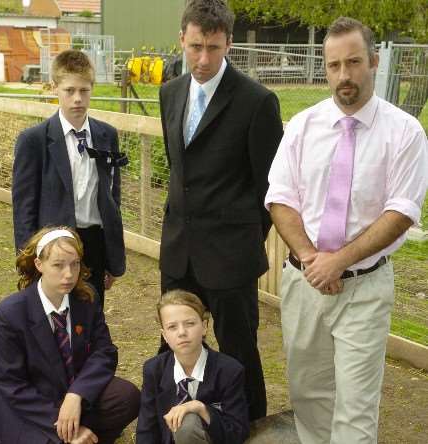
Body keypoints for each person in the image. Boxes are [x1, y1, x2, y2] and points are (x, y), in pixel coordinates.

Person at [265, 17, 428, 444]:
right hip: (305, 284)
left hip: (364, 288)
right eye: (334, 65)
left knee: (355, 409)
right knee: (309, 395)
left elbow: (402, 211)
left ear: (374, 62)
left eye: (353, 62)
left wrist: (338, 261)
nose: (344, 75)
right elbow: (280, 197)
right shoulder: (302, 126)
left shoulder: (405, 133)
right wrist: (311, 258)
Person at [159, 0, 283, 421]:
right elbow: (180, 170)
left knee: (238, 351)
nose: (204, 58)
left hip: (230, 258)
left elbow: (270, 188)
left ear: (229, 42)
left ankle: (249, 425)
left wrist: (241, 239)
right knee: (174, 346)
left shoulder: (256, 102)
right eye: (195, 47)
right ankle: (176, 422)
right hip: (178, 251)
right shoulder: (170, 92)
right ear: (182, 40)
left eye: (214, 47)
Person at [0, 227, 140, 444]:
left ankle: (86, 435)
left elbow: (104, 352)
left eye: (75, 264)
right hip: (32, 409)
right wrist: (61, 424)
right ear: (39, 265)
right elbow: (10, 385)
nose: (68, 274)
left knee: (127, 398)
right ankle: (74, 435)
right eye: (58, 265)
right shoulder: (8, 315)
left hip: (71, 394)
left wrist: (76, 394)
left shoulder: (86, 298)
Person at [12, 49, 127, 305]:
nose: (77, 99)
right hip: (54, 246)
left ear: (92, 88)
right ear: (55, 88)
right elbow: (24, 208)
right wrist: (29, 261)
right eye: (69, 90)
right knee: (54, 318)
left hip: (94, 243)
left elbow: (112, 198)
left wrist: (111, 258)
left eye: (84, 90)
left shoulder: (107, 135)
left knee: (91, 317)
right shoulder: (34, 141)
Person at [136, 289, 249, 444]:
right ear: (164, 335)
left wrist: (200, 408)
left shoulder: (229, 370)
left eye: (190, 323)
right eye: (172, 327)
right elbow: (146, 428)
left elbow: (237, 432)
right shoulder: (154, 369)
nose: (182, 332)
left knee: (186, 423)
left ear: (204, 326)